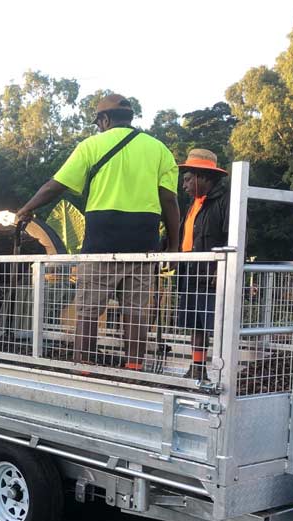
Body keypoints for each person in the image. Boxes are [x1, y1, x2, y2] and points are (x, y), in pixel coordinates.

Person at [15, 94, 180, 372]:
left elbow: (56, 185)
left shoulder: (91, 145)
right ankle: (134, 369)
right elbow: (169, 201)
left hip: (102, 239)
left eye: (99, 123)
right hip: (143, 241)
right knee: (136, 312)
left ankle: (85, 368)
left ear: (104, 120)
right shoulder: (159, 149)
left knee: (89, 310)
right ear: (129, 118)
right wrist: (174, 246)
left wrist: (27, 209)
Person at [176, 149, 229, 380]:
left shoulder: (223, 201)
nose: (184, 185)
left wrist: (220, 269)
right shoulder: (194, 205)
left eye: (188, 179)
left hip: (210, 273)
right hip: (191, 270)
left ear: (203, 176)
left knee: (213, 324)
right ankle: (197, 367)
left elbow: (233, 237)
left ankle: (219, 372)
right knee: (195, 322)